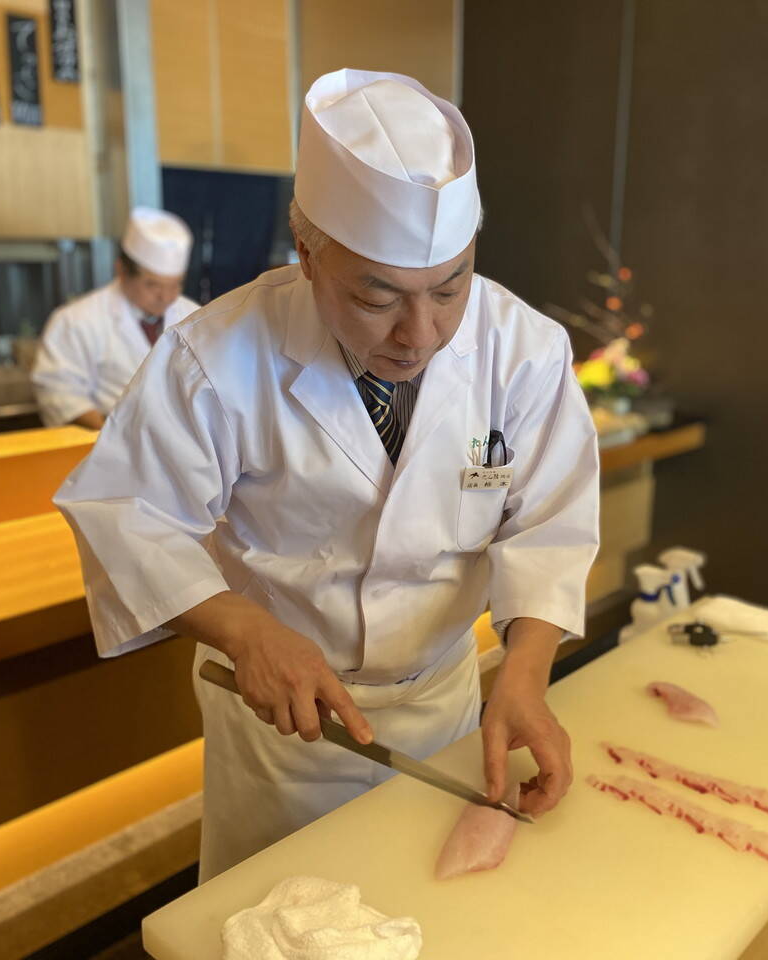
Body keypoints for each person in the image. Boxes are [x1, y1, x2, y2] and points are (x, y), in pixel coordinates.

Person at [53, 68, 600, 881]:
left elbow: (550, 523)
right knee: (275, 915)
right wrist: (244, 630)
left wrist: (524, 675)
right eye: (378, 298)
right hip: (286, 729)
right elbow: (126, 511)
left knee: (434, 908)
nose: (420, 335)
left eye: (449, 289)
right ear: (307, 254)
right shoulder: (215, 354)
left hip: (444, 708)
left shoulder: (526, 352)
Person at [32, 208, 197, 429]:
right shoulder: (75, 321)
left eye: (175, 285)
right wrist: (111, 437)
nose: (166, 297)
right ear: (121, 271)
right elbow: (59, 394)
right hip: (107, 440)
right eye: (153, 285)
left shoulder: (195, 317)